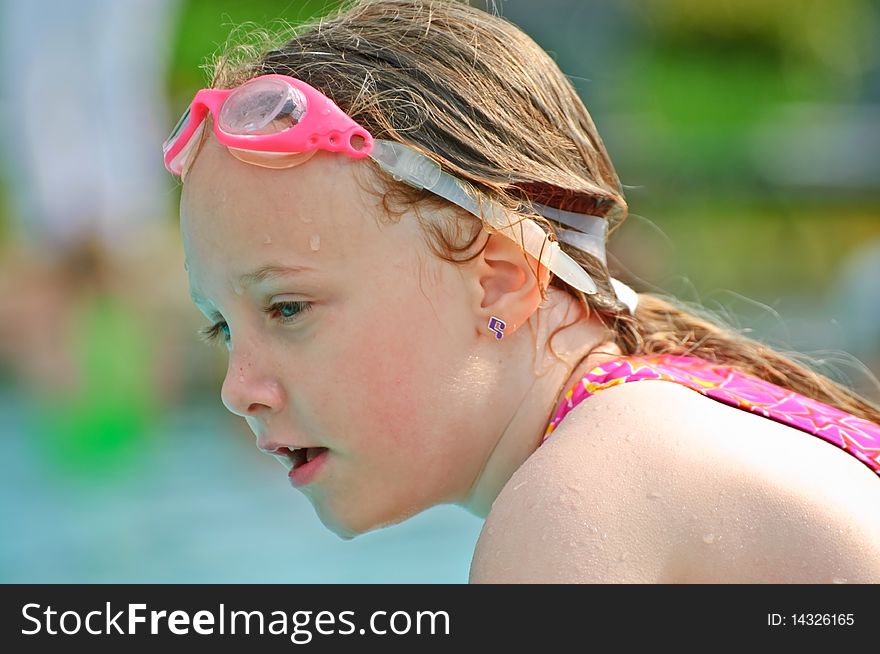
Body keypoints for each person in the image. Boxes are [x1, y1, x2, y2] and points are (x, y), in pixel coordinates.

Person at [165, 0, 880, 583]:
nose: (238, 388)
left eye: (287, 309)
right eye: (221, 328)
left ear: (502, 281)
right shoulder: (656, 421)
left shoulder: (584, 500)